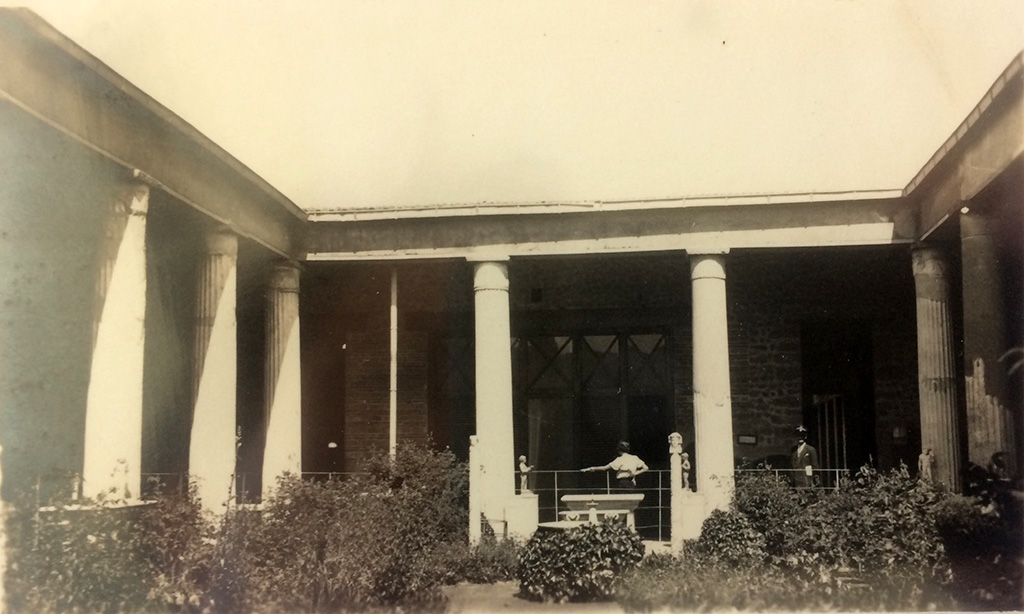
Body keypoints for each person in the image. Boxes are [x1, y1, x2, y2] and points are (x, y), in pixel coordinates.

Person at [582, 441, 649, 490]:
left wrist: (590, 468)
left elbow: (604, 468)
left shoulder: (619, 459)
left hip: (623, 483)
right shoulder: (635, 458)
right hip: (631, 483)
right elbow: (646, 468)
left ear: (619, 451)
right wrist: (635, 473)